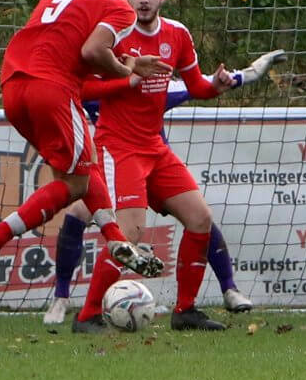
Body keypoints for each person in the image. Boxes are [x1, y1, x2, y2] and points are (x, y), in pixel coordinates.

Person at [64, 0, 286, 333]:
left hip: (154, 147)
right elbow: (82, 89)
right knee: (130, 236)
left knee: (200, 219)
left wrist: (216, 85)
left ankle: (186, 311)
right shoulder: (112, 36)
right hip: (119, 148)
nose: (144, 0)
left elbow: (196, 86)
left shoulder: (177, 34)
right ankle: (86, 316)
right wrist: (128, 79)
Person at [0, 0, 171, 290]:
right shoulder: (120, 6)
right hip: (53, 88)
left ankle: (116, 239)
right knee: (77, 181)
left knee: (81, 169)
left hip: (14, 85)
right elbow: (92, 51)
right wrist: (125, 72)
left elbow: (72, 40)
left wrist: (128, 62)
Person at [43, 50, 287, 325]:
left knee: (197, 216)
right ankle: (62, 299)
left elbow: (207, 83)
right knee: (80, 213)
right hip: (117, 162)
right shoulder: (94, 86)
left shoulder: (153, 83)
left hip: (155, 162)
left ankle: (228, 288)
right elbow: (59, 91)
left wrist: (253, 71)